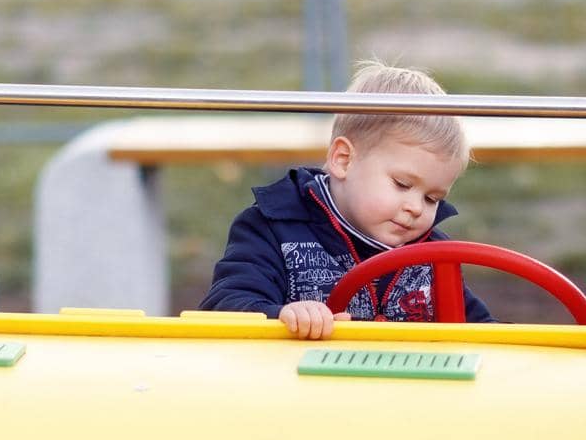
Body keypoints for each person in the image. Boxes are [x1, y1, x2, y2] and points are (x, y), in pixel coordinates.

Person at [200, 61, 495, 339]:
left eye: (432, 199)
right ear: (344, 159)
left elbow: (483, 332)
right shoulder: (273, 229)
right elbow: (225, 305)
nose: (416, 208)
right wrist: (282, 316)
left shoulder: (434, 256)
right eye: (402, 184)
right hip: (301, 388)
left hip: (405, 390)